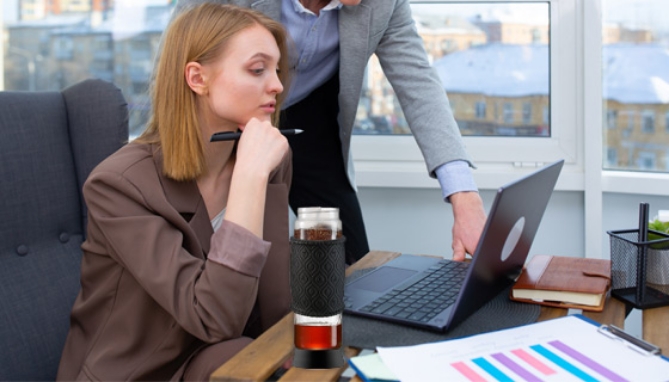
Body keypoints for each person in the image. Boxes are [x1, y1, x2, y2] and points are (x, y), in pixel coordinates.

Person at [56, 4, 292, 381]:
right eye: (258, 69)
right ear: (198, 78)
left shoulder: (267, 158)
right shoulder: (119, 184)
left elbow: (274, 296)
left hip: (215, 358)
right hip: (137, 372)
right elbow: (214, 317)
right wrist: (249, 179)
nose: (277, 85)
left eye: (277, 70)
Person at [168, 0, 487, 265]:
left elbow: (418, 83)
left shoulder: (383, 5)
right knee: (215, 248)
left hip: (311, 123)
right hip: (220, 120)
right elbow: (175, 65)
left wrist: (465, 198)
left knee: (355, 267)